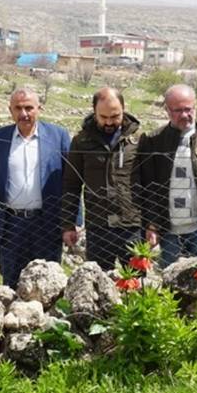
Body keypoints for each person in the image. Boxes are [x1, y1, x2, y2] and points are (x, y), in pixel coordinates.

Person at [0, 87, 70, 287]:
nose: (23, 114)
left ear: (39, 109)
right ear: (10, 111)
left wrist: (71, 222)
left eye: (28, 108)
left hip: (47, 224)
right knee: (11, 282)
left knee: (48, 284)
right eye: (18, 108)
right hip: (11, 225)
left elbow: (71, 183)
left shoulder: (58, 137)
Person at [137, 84, 197, 267]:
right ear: (166, 110)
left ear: (195, 106)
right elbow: (147, 188)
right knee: (170, 289)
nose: (184, 115)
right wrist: (151, 225)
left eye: (188, 109)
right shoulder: (152, 141)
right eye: (177, 110)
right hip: (169, 232)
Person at [61, 87, 143, 271]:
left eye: (115, 116)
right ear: (94, 111)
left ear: (123, 109)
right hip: (98, 226)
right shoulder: (81, 142)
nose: (109, 122)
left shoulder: (138, 140)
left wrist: (153, 225)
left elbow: (151, 183)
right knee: (98, 283)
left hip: (132, 226)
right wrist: (68, 224)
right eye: (103, 117)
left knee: (138, 284)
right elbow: (71, 185)